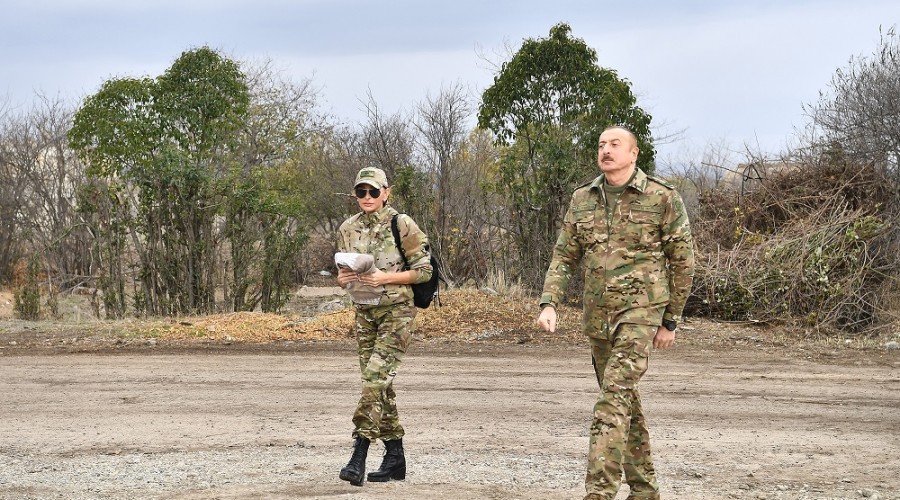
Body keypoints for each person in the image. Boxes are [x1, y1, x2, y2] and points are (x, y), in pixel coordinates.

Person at [536, 126, 694, 500]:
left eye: (615, 145)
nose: (606, 151)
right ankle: (645, 491)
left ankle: (599, 493)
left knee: (611, 402)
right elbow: (564, 255)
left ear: (634, 153)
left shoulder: (661, 197)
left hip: (641, 314)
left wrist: (671, 319)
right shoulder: (583, 198)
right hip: (599, 318)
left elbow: (683, 262)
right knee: (625, 403)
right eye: (601, 145)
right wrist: (549, 302)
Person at [335, 166, 433, 487]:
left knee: (375, 377)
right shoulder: (347, 228)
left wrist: (386, 277)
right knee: (379, 383)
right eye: (361, 191)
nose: (367, 197)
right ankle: (395, 457)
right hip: (365, 311)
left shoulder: (401, 224)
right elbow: (341, 274)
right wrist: (345, 278)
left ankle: (358, 454)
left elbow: (424, 271)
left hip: (397, 312)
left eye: (373, 191)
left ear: (386, 192)